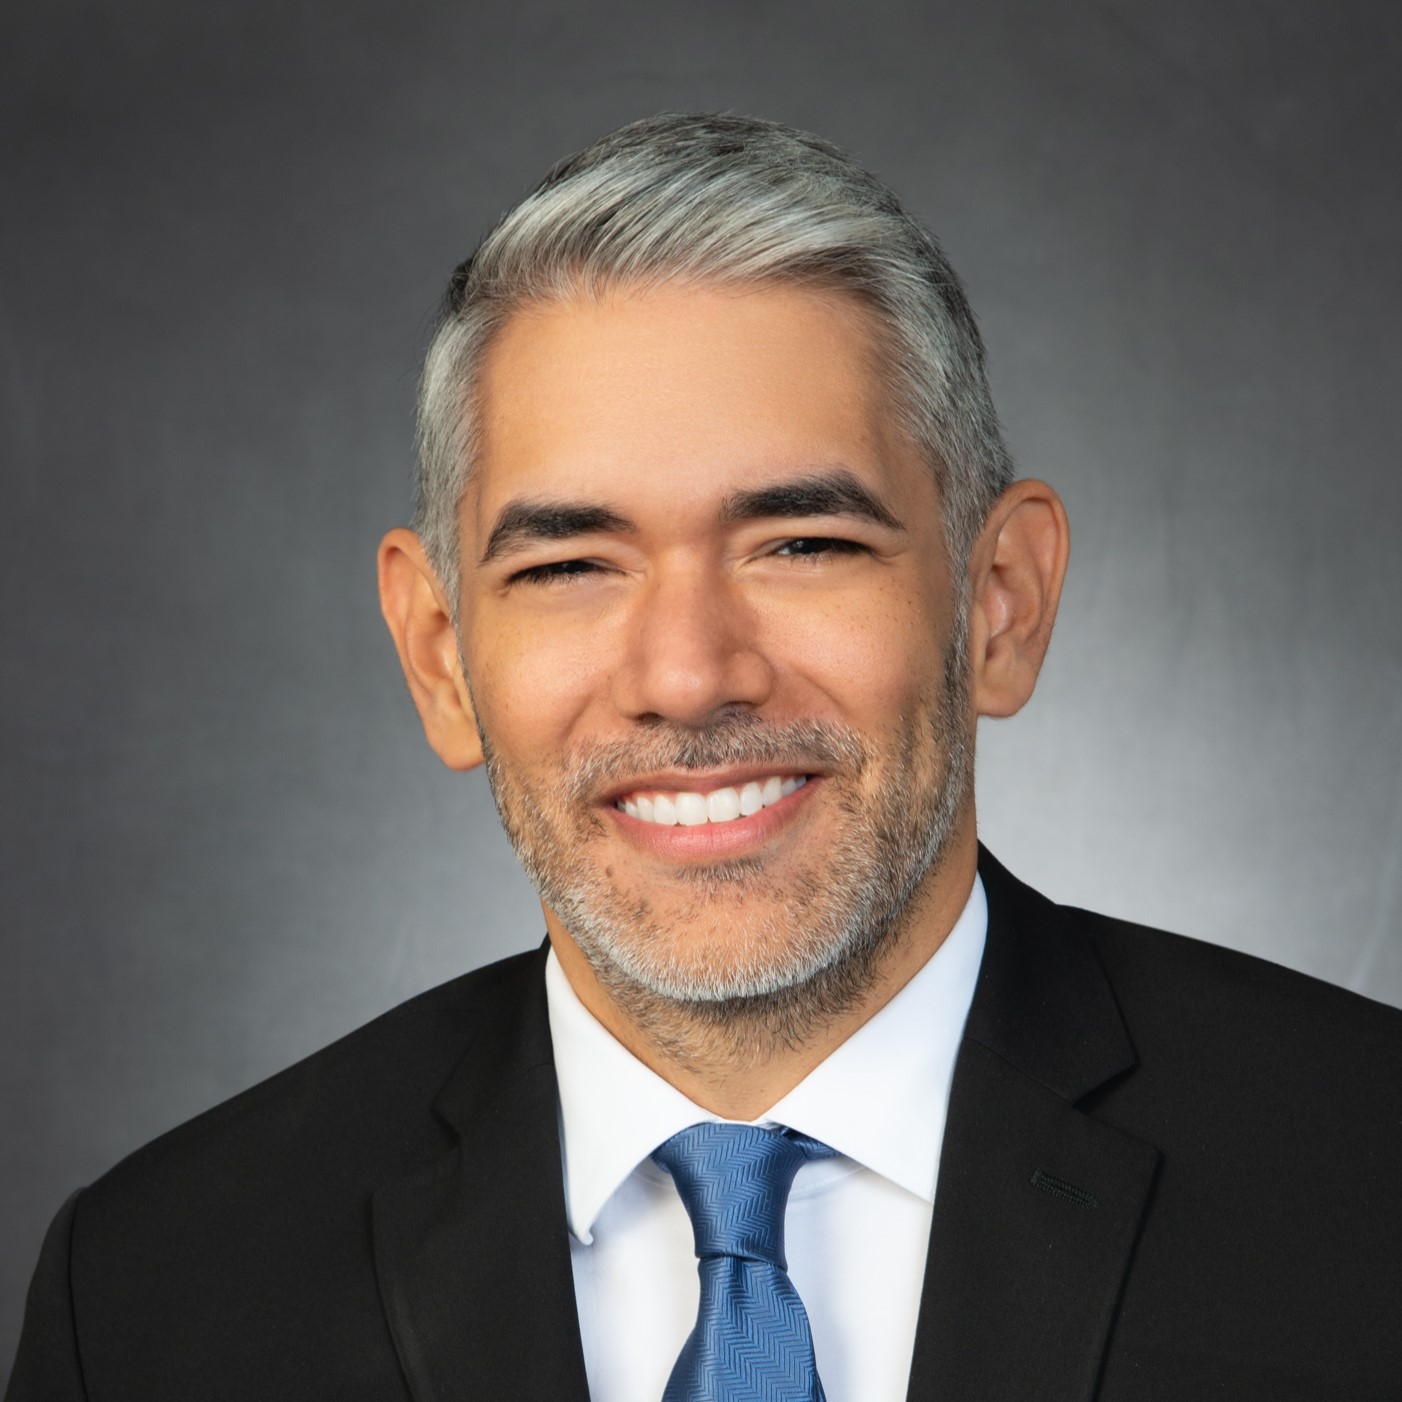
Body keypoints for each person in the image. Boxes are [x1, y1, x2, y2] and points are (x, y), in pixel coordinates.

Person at [8, 112, 1401, 1402]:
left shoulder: (1364, 1187)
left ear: (997, 603)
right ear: (439, 654)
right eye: (567, 563)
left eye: (802, 544)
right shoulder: (149, 1298)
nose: (687, 675)